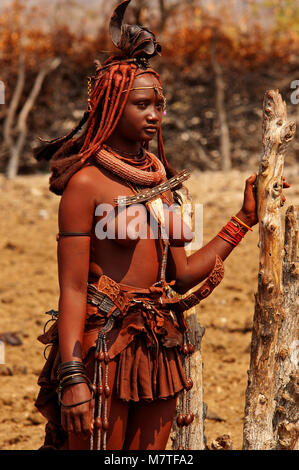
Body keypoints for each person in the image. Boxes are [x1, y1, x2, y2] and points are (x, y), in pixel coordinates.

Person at [33, 0, 289, 451]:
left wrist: (243, 220)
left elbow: (184, 274)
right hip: (103, 347)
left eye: (160, 105)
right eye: (142, 105)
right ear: (111, 106)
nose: (155, 115)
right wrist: (72, 375)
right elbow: (72, 289)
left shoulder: (162, 182)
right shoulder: (86, 185)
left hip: (159, 346)